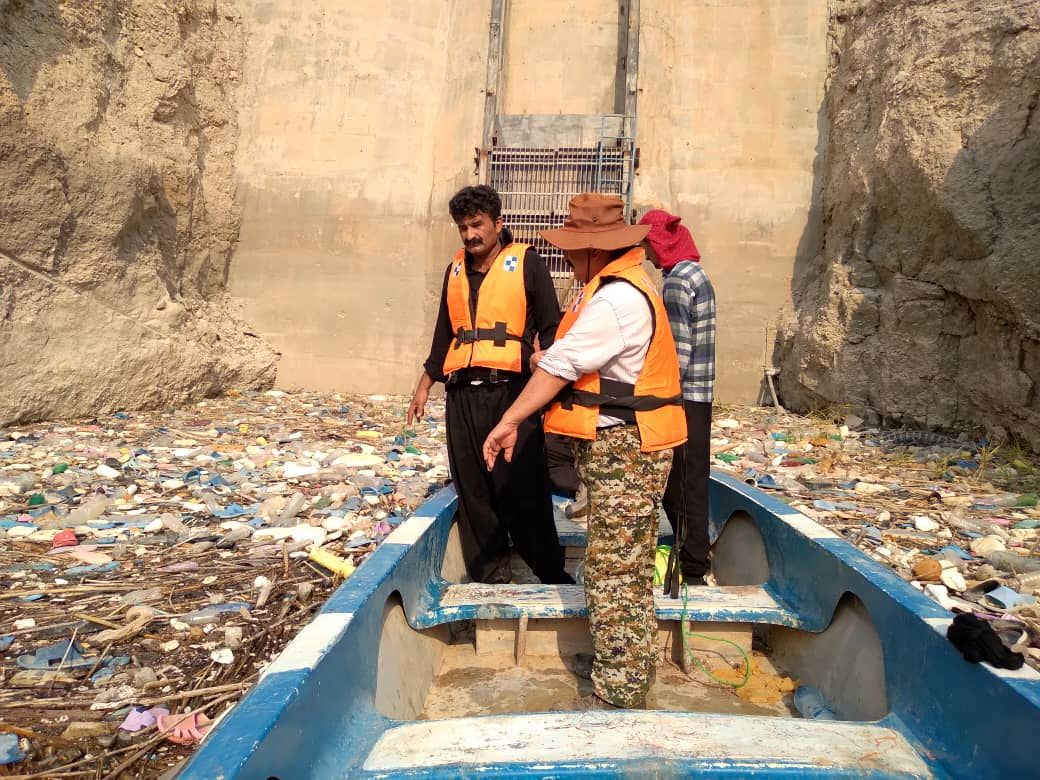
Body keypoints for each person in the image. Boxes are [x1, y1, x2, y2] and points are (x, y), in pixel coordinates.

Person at [482, 193, 687, 709]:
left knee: (612, 573)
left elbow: (561, 367)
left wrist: (509, 421)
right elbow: (575, 359)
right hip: (628, 447)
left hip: (626, 450)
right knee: (628, 566)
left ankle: (618, 694)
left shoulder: (616, 299)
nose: (567, 258)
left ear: (595, 250)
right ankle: (633, 673)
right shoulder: (618, 288)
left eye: (572, 250)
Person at [407, 185, 571, 585]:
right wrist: (425, 383)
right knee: (473, 488)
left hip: (511, 391)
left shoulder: (527, 263)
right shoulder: (455, 271)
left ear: (498, 223)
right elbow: (445, 333)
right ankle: (490, 575)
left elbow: (551, 328)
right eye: (462, 227)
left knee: (523, 485)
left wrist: (552, 383)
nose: (470, 235)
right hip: (462, 394)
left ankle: (550, 573)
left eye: (477, 225)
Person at [639, 210, 716, 587]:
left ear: (661, 242)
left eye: (648, 245)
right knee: (694, 480)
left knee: (678, 484)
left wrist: (657, 399)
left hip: (682, 397)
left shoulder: (676, 281)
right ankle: (697, 558)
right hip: (701, 395)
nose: (646, 254)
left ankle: (692, 567)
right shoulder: (697, 274)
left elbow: (677, 352)